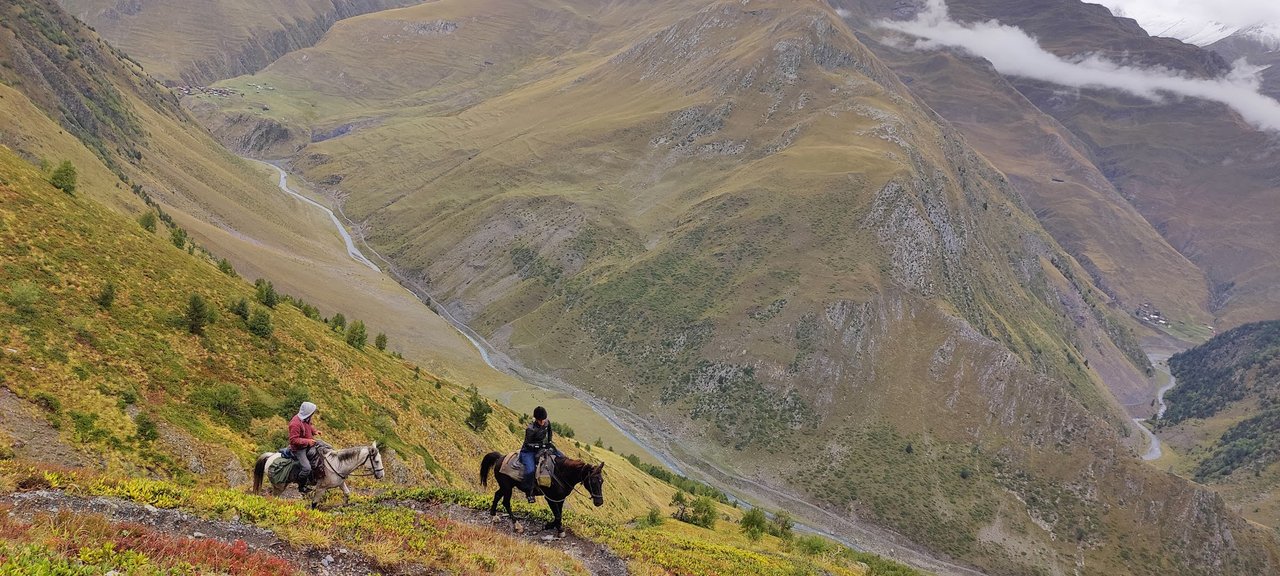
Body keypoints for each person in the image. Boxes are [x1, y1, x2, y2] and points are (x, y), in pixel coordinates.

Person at [520, 406, 563, 502]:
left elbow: (549, 432)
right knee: (530, 470)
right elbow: (528, 444)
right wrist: (540, 446)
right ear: (536, 419)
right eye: (541, 420)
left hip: (542, 446)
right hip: (528, 451)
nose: (543, 422)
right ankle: (529, 492)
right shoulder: (530, 429)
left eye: (544, 420)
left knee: (561, 456)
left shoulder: (547, 422)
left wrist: (549, 442)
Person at [289, 401, 326, 493]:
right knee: (306, 468)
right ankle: (301, 486)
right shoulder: (295, 424)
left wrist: (314, 431)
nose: (312, 414)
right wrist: (308, 441)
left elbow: (308, 426)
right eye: (312, 412)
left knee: (325, 446)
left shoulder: (306, 418)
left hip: (308, 443)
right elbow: (293, 440)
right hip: (299, 449)